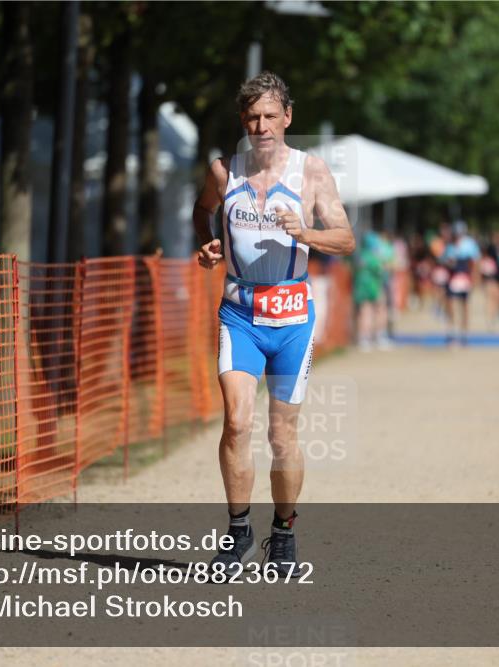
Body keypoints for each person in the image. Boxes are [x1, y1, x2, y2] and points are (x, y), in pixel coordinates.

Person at [191, 71, 355, 578]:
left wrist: (304, 231)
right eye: (252, 118)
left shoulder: (312, 174)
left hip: (291, 323)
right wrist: (209, 242)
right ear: (244, 121)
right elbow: (203, 211)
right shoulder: (224, 172)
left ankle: (282, 532)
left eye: (270, 117)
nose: (261, 126)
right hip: (240, 316)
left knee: (282, 436)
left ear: (287, 118)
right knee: (237, 421)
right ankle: (238, 531)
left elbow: (345, 240)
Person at [441, 220, 480, 345]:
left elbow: (475, 262)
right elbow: (444, 260)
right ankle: (451, 332)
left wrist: (474, 278)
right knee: (450, 305)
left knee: (464, 306)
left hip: (464, 277)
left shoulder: (469, 244)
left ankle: (464, 334)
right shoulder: (450, 245)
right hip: (452, 277)